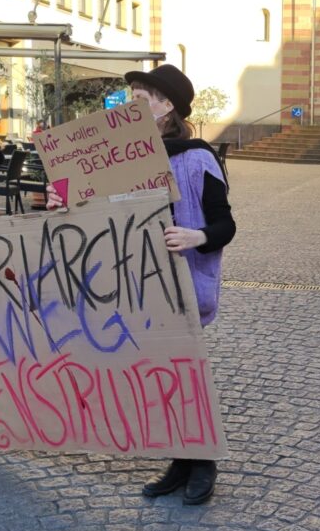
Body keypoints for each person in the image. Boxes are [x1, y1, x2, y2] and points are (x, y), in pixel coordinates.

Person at [47, 63, 235, 504]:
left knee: (187, 376)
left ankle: (202, 462)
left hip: (181, 284)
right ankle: (178, 459)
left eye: (141, 99)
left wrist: (197, 236)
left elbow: (226, 224)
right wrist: (61, 198)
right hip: (131, 286)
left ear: (167, 107)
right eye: (128, 96)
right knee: (159, 378)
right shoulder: (112, 157)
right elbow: (89, 212)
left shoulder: (197, 158)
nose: (129, 106)